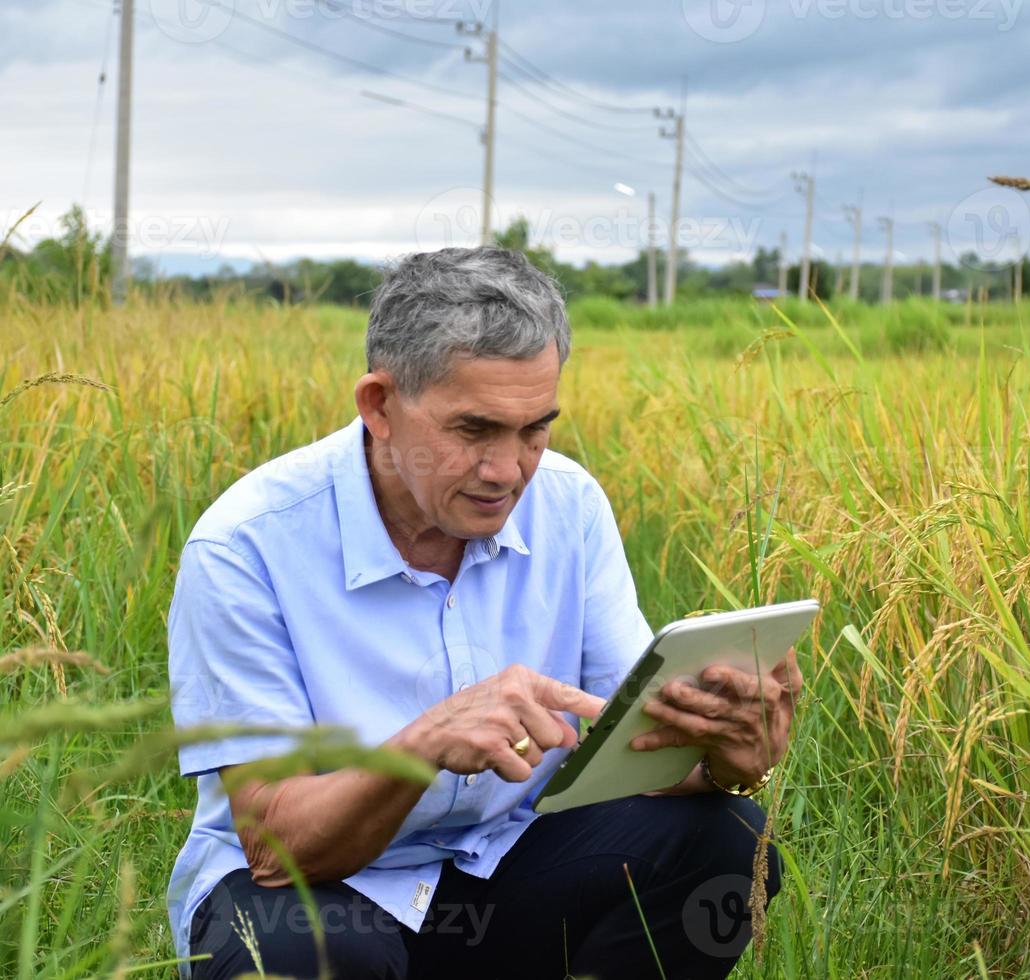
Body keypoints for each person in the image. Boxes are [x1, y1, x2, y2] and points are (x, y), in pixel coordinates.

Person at [166, 247, 802, 979]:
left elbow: (637, 762)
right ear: (379, 406)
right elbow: (275, 846)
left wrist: (724, 759)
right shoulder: (246, 544)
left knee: (724, 841)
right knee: (305, 953)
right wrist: (421, 746)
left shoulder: (570, 506)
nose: (508, 471)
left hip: (505, 870)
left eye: (535, 429)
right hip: (321, 890)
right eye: (474, 431)